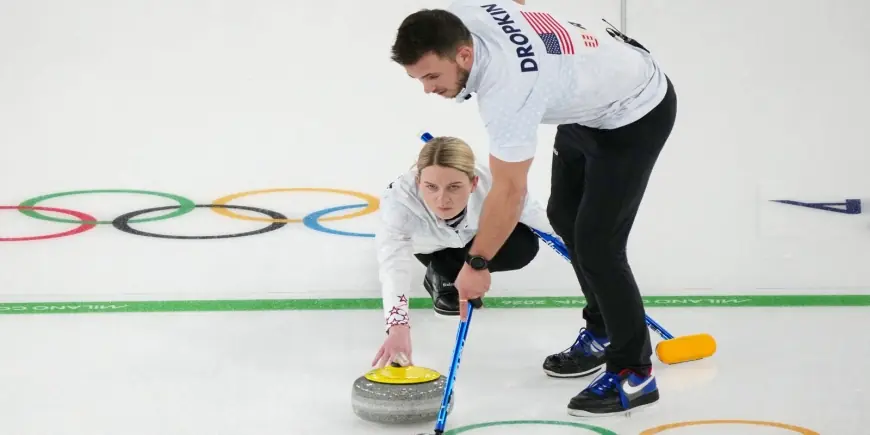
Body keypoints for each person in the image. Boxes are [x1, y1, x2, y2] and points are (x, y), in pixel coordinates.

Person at [389, 0, 676, 417]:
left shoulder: (509, 94)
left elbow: (510, 191)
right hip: (586, 104)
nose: (427, 89)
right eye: (418, 78)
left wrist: (476, 263)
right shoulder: (462, 13)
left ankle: (634, 373)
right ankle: (602, 331)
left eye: (432, 76)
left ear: (464, 54)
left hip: (634, 112)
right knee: (565, 219)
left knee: (598, 246)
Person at [371, 135, 554, 369]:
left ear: (474, 183)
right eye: (431, 187)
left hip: (476, 240)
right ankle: (441, 273)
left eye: (454, 187)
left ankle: (463, 271)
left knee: (522, 245)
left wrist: (585, 256)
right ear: (418, 182)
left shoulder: (494, 184)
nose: (442, 199)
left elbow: (540, 219)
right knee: (443, 262)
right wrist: (398, 327)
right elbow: (393, 265)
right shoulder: (398, 203)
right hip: (433, 250)